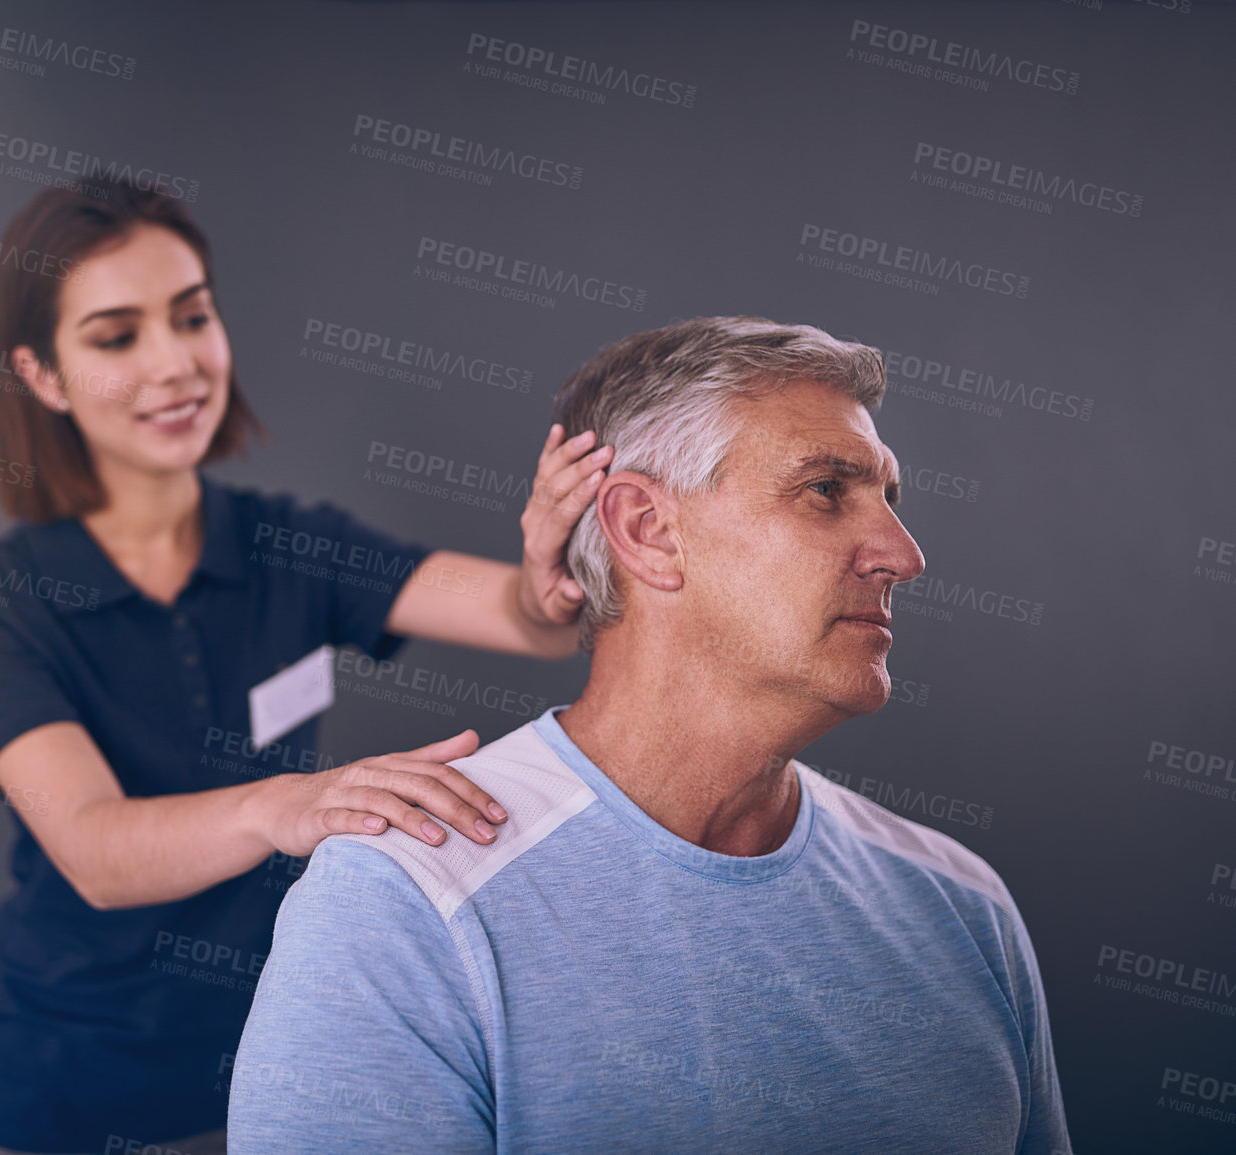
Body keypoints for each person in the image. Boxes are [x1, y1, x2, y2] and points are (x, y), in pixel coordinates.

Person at [228, 317, 1073, 1153]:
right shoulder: (406, 904)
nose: (902, 552)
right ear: (646, 529)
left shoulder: (962, 908)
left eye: (888, 499)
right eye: (825, 491)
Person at [0, 178, 611, 1155]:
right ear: (41, 375)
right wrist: (285, 805)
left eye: (191, 317)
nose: (175, 365)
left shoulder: (289, 544)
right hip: (62, 1083)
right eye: (117, 338)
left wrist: (549, 577)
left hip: (271, 1058)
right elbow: (98, 853)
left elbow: (523, 617)